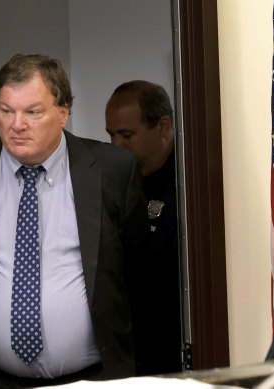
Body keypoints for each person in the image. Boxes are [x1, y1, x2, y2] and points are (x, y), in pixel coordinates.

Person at [0, 54, 148, 389]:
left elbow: (137, 273)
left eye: (32, 112)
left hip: (95, 378)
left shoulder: (113, 170)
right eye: (6, 110)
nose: (17, 124)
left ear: (63, 112)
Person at [105, 80, 183, 375]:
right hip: (129, 349)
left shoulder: (191, 180)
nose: (116, 146)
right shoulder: (113, 181)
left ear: (163, 127)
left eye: (127, 135)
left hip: (173, 347)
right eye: (111, 135)